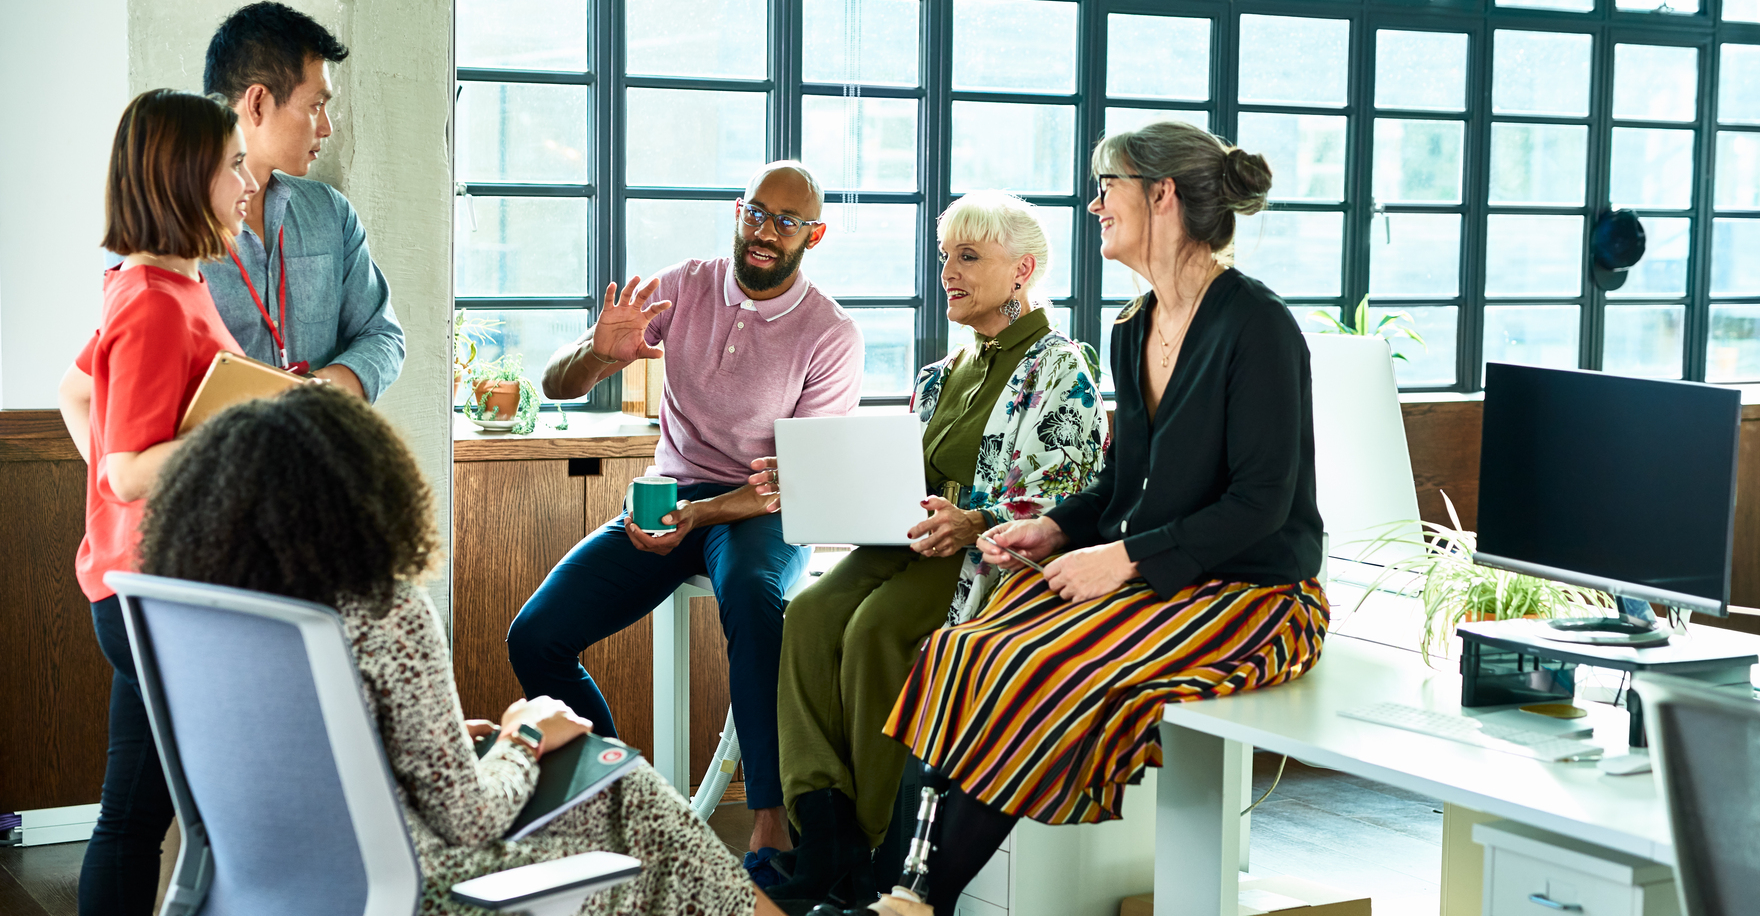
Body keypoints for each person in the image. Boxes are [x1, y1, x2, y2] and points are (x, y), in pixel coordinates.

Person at [811, 121, 1330, 916]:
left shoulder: (1256, 326)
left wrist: (1120, 560)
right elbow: (1128, 477)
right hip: (1155, 577)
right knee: (960, 652)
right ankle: (896, 894)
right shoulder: (1133, 328)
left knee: (1038, 669)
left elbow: (1260, 506)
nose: (1093, 205)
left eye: (1106, 186)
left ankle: (916, 901)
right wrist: (1057, 529)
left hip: (1251, 596)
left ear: (1161, 196)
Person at [135, 385, 787, 916]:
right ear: (361, 495)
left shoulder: (199, 614)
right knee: (629, 790)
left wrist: (431, 746)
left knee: (611, 790)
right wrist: (526, 734)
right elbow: (472, 818)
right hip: (424, 886)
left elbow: (308, 762)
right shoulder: (384, 611)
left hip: (265, 885)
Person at [755, 192, 1107, 910]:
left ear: (1023, 271)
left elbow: (1071, 491)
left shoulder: (1060, 366)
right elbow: (897, 478)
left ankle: (883, 853)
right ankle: (825, 838)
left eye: (969, 257)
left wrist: (974, 521)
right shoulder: (941, 374)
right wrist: (814, 484)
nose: (948, 271)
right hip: (906, 541)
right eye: (946, 256)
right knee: (811, 612)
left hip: (981, 555)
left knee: (874, 630)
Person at [508, 161, 863, 865]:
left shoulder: (830, 334)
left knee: (756, 604)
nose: (764, 232)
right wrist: (596, 352)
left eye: (786, 222)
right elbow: (557, 385)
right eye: (755, 212)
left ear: (813, 235)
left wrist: (701, 521)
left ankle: (769, 820)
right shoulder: (683, 287)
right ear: (738, 212)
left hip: (759, 509)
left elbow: (792, 483)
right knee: (536, 636)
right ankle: (622, 800)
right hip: (669, 493)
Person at [55, 89, 259, 915]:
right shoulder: (151, 300)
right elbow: (128, 472)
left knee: (137, 812)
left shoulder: (162, 284)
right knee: (176, 817)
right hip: (157, 596)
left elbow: (73, 394)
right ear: (185, 177)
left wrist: (127, 510)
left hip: (147, 587)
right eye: (234, 165)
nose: (249, 181)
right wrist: (249, 420)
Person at [199, 1, 405, 398]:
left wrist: (320, 393)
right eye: (316, 106)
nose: (326, 127)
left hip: (320, 453)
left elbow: (382, 335)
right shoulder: (168, 231)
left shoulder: (330, 213)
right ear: (258, 102)